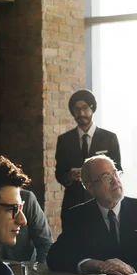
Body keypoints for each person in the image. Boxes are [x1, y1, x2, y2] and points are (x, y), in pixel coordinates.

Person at [47, 155, 137, 274]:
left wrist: (132, 269)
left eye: (115, 174)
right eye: (106, 177)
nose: (115, 181)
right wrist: (93, 264)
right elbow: (55, 257)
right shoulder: (78, 215)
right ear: (90, 188)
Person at [55, 89, 121, 230]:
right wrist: (70, 176)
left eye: (85, 108)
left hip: (103, 201)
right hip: (73, 203)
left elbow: (118, 169)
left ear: (92, 108)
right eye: (77, 109)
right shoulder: (64, 140)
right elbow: (59, 173)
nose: (81, 113)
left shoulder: (109, 138)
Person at [0, 189, 53, 264]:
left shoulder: (26, 198)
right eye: (10, 209)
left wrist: (37, 272)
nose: (23, 221)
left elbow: (45, 244)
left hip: (24, 270)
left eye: (20, 207)